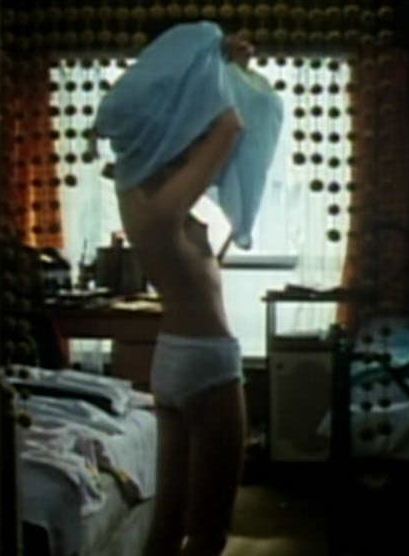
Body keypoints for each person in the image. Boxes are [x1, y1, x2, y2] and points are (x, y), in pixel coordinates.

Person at [110, 33, 259, 555]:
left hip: (171, 360)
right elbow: (231, 127)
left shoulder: (132, 190)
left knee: (167, 525)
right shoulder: (167, 207)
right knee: (209, 531)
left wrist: (224, 67)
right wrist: (219, 64)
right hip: (209, 360)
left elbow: (196, 141)